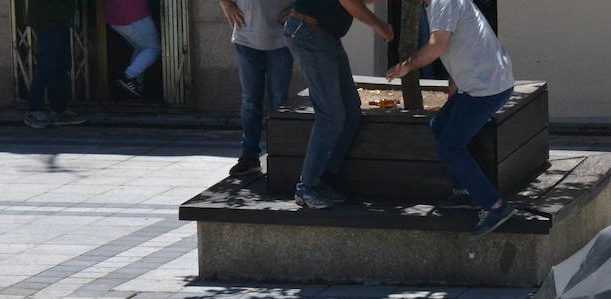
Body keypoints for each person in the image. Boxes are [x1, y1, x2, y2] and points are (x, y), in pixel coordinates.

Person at [387, 0, 516, 237]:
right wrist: (453, 92)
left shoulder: (444, 1)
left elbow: (438, 46)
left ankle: (495, 206)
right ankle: (465, 192)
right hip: (476, 85)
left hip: (487, 87)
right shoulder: (436, 4)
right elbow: (461, 47)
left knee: (450, 147)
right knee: (440, 125)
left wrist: (407, 65)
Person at [283, 0, 393, 209]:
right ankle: (307, 187)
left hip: (324, 35)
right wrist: (381, 26)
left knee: (351, 112)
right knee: (331, 116)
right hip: (310, 33)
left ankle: (323, 179)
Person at [219, 0, 294, 177]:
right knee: (251, 100)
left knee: (279, 101)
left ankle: (280, 155)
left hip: (281, 38)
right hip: (246, 35)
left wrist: (298, 8)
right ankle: (250, 155)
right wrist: (225, 3)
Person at [23, 0, 86, 129]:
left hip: (61, 20)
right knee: (47, 65)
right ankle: (34, 109)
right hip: (47, 21)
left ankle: (59, 109)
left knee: (61, 65)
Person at [106, 0, 161, 99]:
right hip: (134, 14)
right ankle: (128, 77)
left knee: (141, 48)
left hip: (116, 15)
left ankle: (136, 87)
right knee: (154, 48)